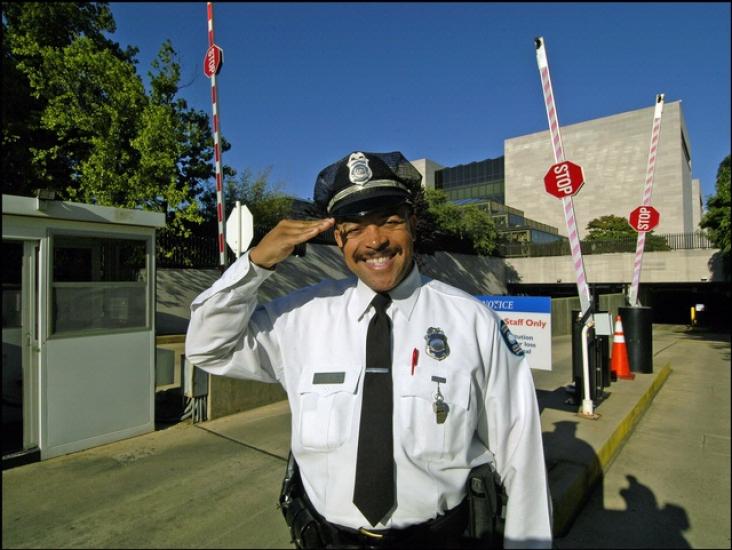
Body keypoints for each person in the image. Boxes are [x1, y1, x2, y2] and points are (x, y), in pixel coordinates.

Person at [185, 151, 553, 548]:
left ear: (412, 225)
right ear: (338, 238)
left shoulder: (473, 322)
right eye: (355, 228)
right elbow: (208, 347)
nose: (375, 240)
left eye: (390, 222)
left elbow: (521, 452)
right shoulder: (299, 319)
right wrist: (256, 264)